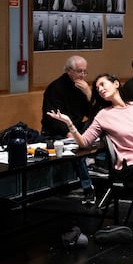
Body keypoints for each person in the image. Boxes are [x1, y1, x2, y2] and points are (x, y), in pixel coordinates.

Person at [47, 74, 133, 192]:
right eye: (97, 88)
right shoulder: (103, 115)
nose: (100, 89)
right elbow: (84, 142)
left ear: (116, 84)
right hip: (130, 165)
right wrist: (69, 123)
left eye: (102, 84)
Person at [41, 55, 95, 204]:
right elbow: (51, 118)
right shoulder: (55, 88)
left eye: (85, 72)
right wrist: (69, 133)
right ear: (68, 71)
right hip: (56, 131)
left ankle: (102, 168)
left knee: (104, 127)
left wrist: (89, 94)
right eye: (79, 71)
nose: (82, 75)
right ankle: (87, 187)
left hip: (76, 127)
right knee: (77, 148)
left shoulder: (81, 87)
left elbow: (91, 113)